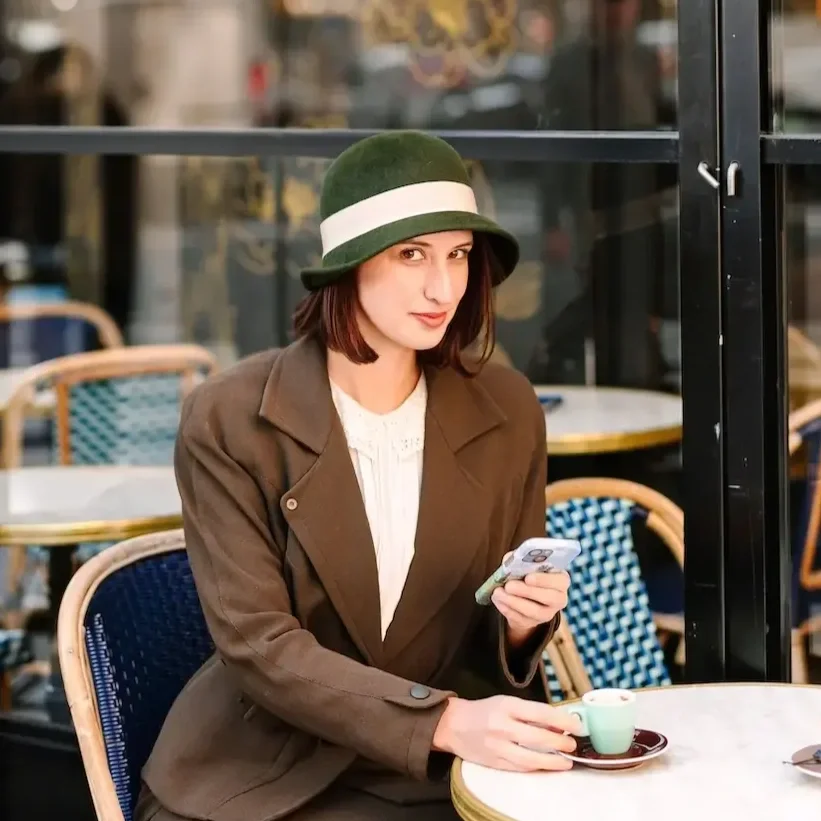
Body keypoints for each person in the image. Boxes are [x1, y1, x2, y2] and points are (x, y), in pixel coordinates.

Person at [135, 131, 581, 821]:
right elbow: (258, 646)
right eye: (411, 255)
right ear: (348, 265)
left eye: (458, 255)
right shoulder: (229, 417)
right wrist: (441, 721)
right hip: (267, 775)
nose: (443, 287)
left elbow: (482, 629)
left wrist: (523, 626)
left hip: (433, 772)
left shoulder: (507, 409)